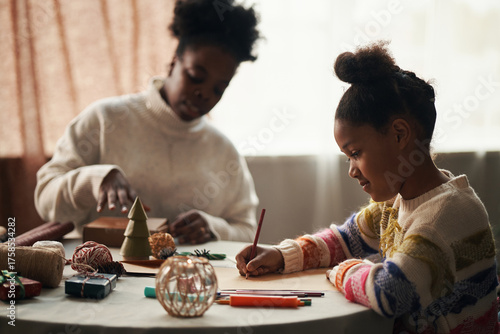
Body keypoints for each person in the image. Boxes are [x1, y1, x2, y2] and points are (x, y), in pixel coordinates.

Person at [236, 42, 498, 333]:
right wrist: (281, 255)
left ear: (399, 134)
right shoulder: (398, 201)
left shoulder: (443, 216)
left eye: (355, 153)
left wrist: (344, 270)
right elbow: (345, 240)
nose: (351, 170)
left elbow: (391, 293)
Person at [35, 0, 261, 245]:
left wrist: (212, 227)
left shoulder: (223, 151)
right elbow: (46, 200)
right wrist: (94, 180)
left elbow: (247, 230)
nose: (204, 94)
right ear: (174, 61)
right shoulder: (105, 119)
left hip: (183, 279)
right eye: (196, 77)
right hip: (96, 275)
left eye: (218, 88)